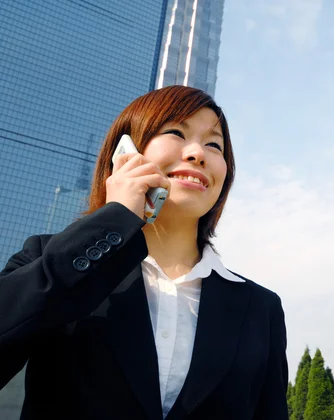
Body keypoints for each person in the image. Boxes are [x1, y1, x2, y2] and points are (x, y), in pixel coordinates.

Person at [0, 85, 289, 419]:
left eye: (214, 144)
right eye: (176, 132)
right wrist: (115, 219)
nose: (198, 153)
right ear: (126, 154)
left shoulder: (261, 308)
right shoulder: (54, 259)